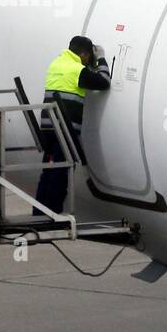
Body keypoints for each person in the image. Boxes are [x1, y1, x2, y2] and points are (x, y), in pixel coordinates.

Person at [33, 35, 111, 215]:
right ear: (83, 54)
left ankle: (39, 213)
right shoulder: (77, 70)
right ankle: (52, 214)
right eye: (88, 57)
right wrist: (100, 59)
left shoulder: (57, 63)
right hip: (64, 130)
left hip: (48, 126)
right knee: (61, 173)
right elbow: (104, 82)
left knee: (48, 170)